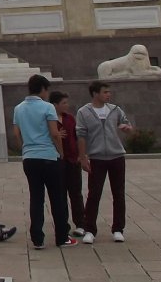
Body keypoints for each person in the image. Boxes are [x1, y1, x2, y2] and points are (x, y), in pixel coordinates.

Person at [12, 74, 76, 249]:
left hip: (29, 157)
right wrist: (61, 153)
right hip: (48, 156)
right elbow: (55, 134)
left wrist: (24, 149)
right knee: (57, 198)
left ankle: (37, 239)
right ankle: (62, 237)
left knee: (36, 198)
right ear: (43, 89)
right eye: (46, 90)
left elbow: (16, 134)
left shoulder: (18, 108)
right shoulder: (47, 107)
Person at [76, 81, 134, 244]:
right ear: (95, 93)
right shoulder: (84, 112)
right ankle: (90, 230)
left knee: (119, 193)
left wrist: (127, 128)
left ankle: (118, 229)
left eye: (109, 92)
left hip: (116, 156)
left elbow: (128, 125)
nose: (109, 95)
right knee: (94, 194)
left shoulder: (115, 110)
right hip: (97, 157)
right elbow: (81, 135)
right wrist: (83, 157)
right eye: (105, 92)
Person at [50, 91, 87, 237]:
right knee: (60, 195)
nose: (67, 105)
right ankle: (63, 225)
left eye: (67, 102)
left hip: (73, 160)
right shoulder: (50, 120)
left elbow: (77, 138)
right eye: (64, 103)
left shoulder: (70, 119)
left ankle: (81, 224)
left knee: (76, 193)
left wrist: (81, 155)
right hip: (57, 161)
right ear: (55, 105)